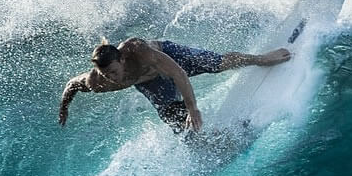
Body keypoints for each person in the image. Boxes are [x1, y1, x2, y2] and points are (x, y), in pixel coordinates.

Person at [57, 37, 291, 133]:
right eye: (106, 74)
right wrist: (64, 107)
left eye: (114, 72)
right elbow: (72, 85)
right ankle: (210, 142)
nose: (112, 78)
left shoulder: (139, 50)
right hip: (150, 85)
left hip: (171, 59)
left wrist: (193, 108)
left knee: (216, 63)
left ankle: (261, 59)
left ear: (121, 59)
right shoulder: (98, 82)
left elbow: (178, 74)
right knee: (173, 119)